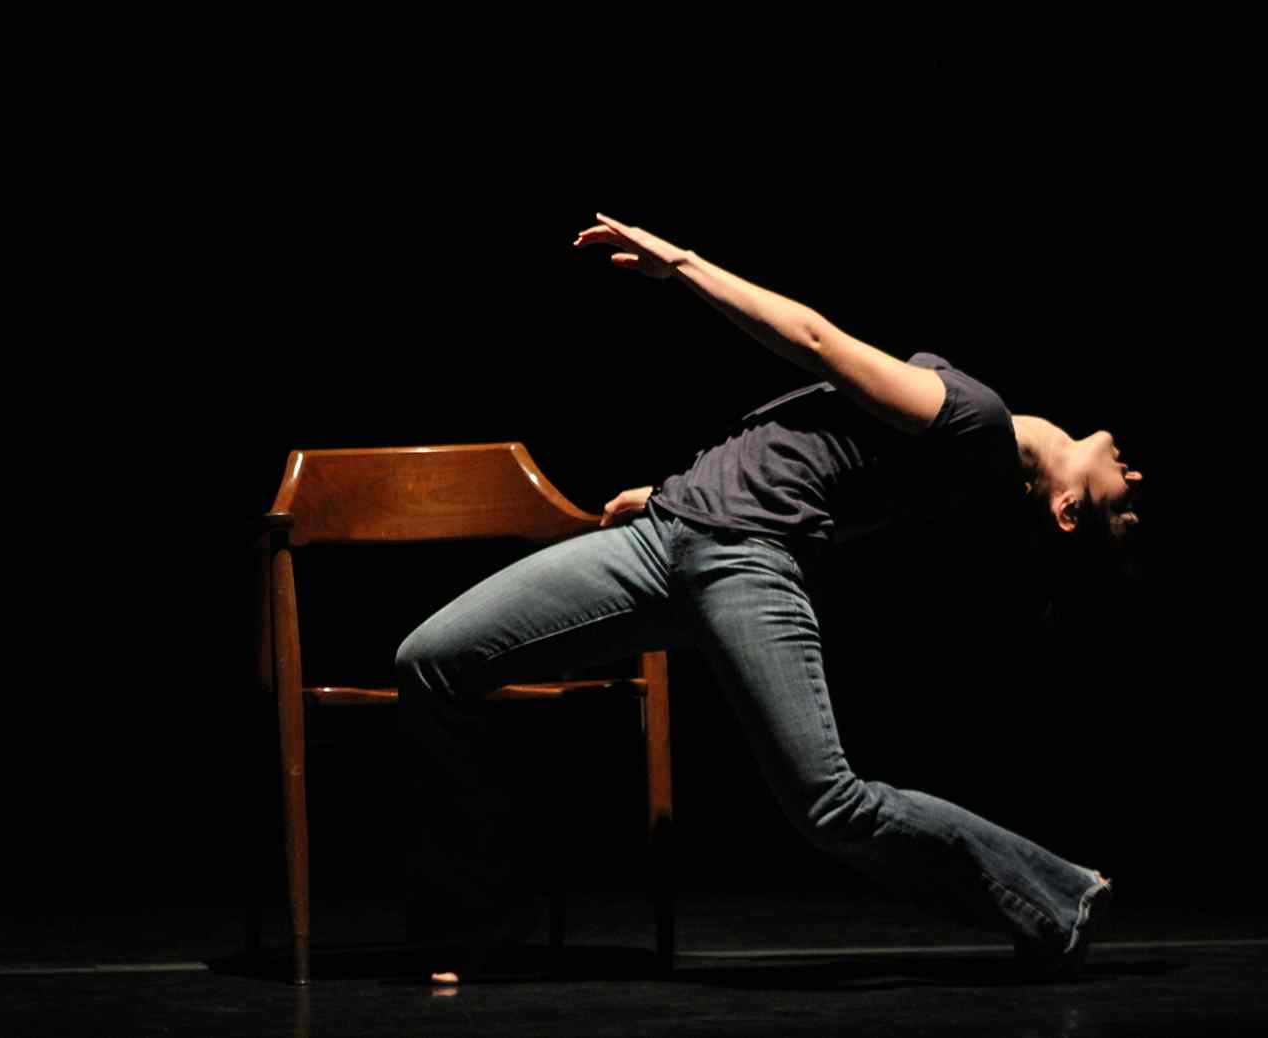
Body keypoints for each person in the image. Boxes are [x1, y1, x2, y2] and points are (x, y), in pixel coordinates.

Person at [396, 213, 1141, 984]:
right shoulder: (966, 448)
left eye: (1127, 513)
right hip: (666, 534)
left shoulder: (978, 423)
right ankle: (476, 922)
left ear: (1068, 512)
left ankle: (1059, 898)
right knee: (433, 661)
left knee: (829, 803)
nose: (1139, 482)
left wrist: (681, 264)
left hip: (740, 563)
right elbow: (825, 465)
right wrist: (668, 492)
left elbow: (813, 339)